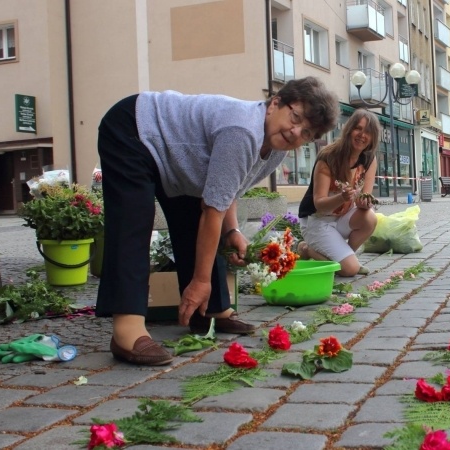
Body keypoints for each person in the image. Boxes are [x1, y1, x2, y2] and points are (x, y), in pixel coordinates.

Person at [96, 77, 339, 366]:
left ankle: (209, 311)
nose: (295, 131)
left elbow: (227, 191)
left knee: (194, 218)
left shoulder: (276, 149)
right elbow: (213, 210)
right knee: (133, 222)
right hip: (133, 128)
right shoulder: (242, 131)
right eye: (295, 117)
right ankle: (127, 329)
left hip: (176, 160)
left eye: (307, 133)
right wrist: (200, 281)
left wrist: (233, 230)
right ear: (275, 103)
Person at [297, 109, 380, 277]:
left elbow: (365, 198)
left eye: (368, 132)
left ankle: (346, 258)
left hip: (341, 217)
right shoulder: (328, 157)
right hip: (317, 220)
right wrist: (341, 197)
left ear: (372, 138)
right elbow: (319, 204)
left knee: (370, 217)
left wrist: (365, 203)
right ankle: (306, 248)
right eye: (358, 128)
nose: (362, 135)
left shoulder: (369, 159)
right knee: (350, 270)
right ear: (349, 130)